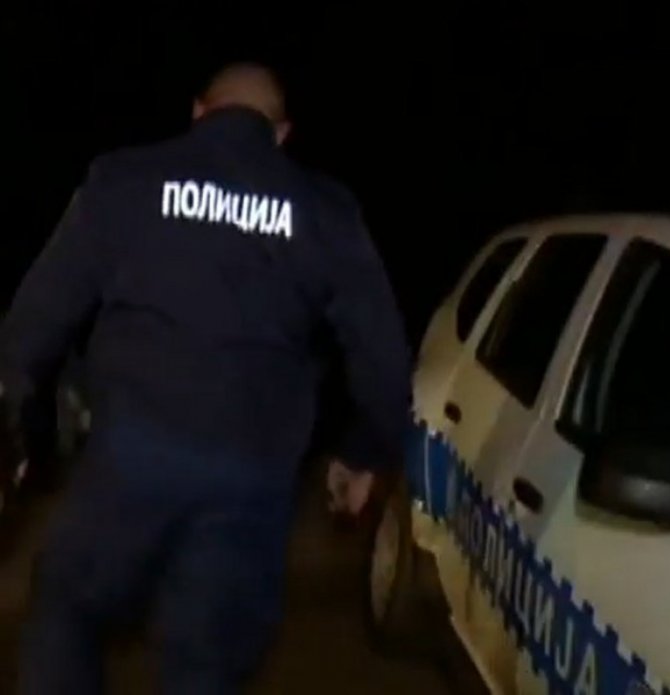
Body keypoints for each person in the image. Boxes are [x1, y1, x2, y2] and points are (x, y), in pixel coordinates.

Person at [0, 62, 411, 694]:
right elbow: (382, 356)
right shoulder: (327, 211)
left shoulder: (124, 180)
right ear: (281, 133)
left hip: (129, 461)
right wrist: (366, 455)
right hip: (252, 478)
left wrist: (10, 423)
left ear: (198, 112)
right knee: (207, 664)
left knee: (67, 612)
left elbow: (40, 314)